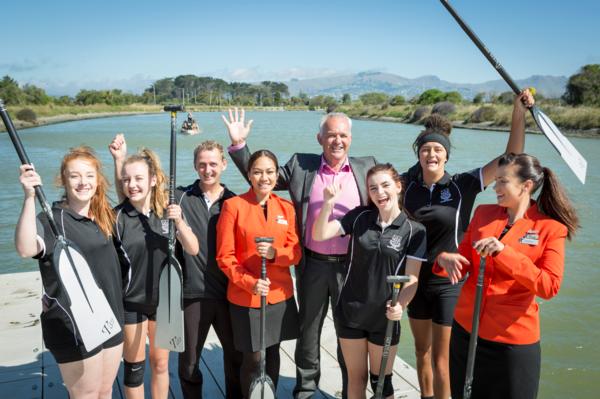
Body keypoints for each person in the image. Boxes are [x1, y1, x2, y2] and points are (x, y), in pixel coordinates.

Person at [223, 108, 376, 398]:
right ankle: (305, 391)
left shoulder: (367, 167)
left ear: (351, 138)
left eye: (343, 135)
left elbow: (389, 195)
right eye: (331, 135)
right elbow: (261, 176)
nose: (337, 140)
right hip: (312, 265)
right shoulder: (301, 166)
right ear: (319, 138)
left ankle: (350, 391)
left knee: (350, 332)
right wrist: (240, 146)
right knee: (308, 333)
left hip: (352, 266)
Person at [403, 90, 534, 399]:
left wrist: (519, 113)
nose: (431, 155)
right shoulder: (405, 185)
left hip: (450, 282)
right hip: (414, 278)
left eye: (437, 150)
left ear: (447, 155)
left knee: (442, 360)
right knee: (422, 352)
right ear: (418, 153)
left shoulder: (463, 185)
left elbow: (510, 158)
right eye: (425, 149)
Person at [435, 153, 579, 399]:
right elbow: (464, 261)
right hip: (465, 333)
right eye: (496, 180)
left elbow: (549, 286)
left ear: (526, 186)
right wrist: (443, 259)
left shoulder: (551, 229)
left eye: (503, 181)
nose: (495, 187)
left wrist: (504, 253)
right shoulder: (483, 214)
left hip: (512, 343)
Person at [14, 146, 124, 399]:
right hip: (73, 324)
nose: (83, 182)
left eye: (89, 175)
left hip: (110, 317)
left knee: (105, 391)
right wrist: (29, 197)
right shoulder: (51, 219)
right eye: (74, 176)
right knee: (86, 395)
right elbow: (26, 248)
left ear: (98, 180)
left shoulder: (104, 215)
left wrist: (119, 160)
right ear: (63, 180)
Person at [313, 164, 427, 399]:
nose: (379, 192)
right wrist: (328, 204)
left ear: (398, 186)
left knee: (381, 384)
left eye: (385, 185)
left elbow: (412, 278)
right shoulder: (360, 217)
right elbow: (319, 234)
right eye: (373, 188)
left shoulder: (414, 230)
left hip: (384, 317)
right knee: (356, 379)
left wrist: (401, 306)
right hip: (351, 311)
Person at [108, 136, 199, 399]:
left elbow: (193, 249)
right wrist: (118, 159)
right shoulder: (116, 217)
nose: (132, 185)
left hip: (166, 302)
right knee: (134, 370)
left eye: (138, 179)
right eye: (126, 180)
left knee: (160, 364)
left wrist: (179, 223)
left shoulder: (168, 212)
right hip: (131, 303)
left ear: (153, 180)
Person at [216, 149, 301, 396]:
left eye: (270, 172)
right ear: (249, 175)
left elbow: (295, 252)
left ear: (277, 175)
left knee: (273, 354)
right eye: (258, 172)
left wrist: (276, 254)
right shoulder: (234, 206)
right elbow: (225, 256)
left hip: (279, 295)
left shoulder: (287, 208)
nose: (264, 177)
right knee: (253, 359)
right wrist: (249, 282)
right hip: (247, 297)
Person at [175, 140, 243, 398]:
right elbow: (138, 191)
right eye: (202, 164)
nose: (208, 169)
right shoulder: (180, 198)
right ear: (195, 166)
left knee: (236, 359)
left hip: (229, 293)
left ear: (224, 165)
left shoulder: (235, 202)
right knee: (189, 362)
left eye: (213, 164)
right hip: (193, 293)